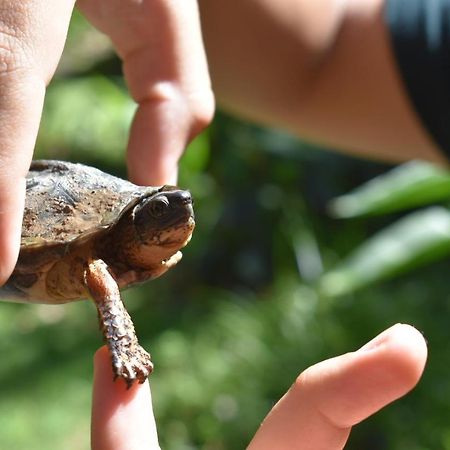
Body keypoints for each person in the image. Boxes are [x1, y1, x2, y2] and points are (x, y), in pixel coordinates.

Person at [0, 0, 443, 448]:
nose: (179, 210)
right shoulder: (100, 258)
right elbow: (325, 48)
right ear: (133, 222)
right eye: (158, 210)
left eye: (178, 210)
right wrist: (124, 343)